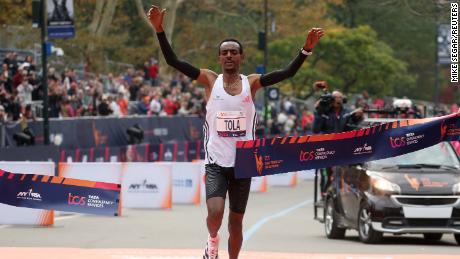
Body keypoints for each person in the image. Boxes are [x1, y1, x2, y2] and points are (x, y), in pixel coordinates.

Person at [148, 5, 324, 259]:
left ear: (241, 56)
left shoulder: (251, 83)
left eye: (233, 52)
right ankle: (211, 240)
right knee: (215, 213)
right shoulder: (210, 80)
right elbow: (173, 61)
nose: (229, 55)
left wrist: (305, 49)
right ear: (219, 58)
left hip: (244, 163)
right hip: (216, 162)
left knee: (237, 223)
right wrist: (159, 30)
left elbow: (287, 73)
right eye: (224, 52)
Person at [313, 90, 363, 198]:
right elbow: (316, 129)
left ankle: (343, 195)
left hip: (343, 149)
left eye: (340, 97)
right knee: (326, 174)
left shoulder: (348, 113)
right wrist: (318, 111)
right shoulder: (324, 113)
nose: (338, 100)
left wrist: (358, 117)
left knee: (345, 173)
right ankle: (325, 195)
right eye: (335, 97)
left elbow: (353, 127)